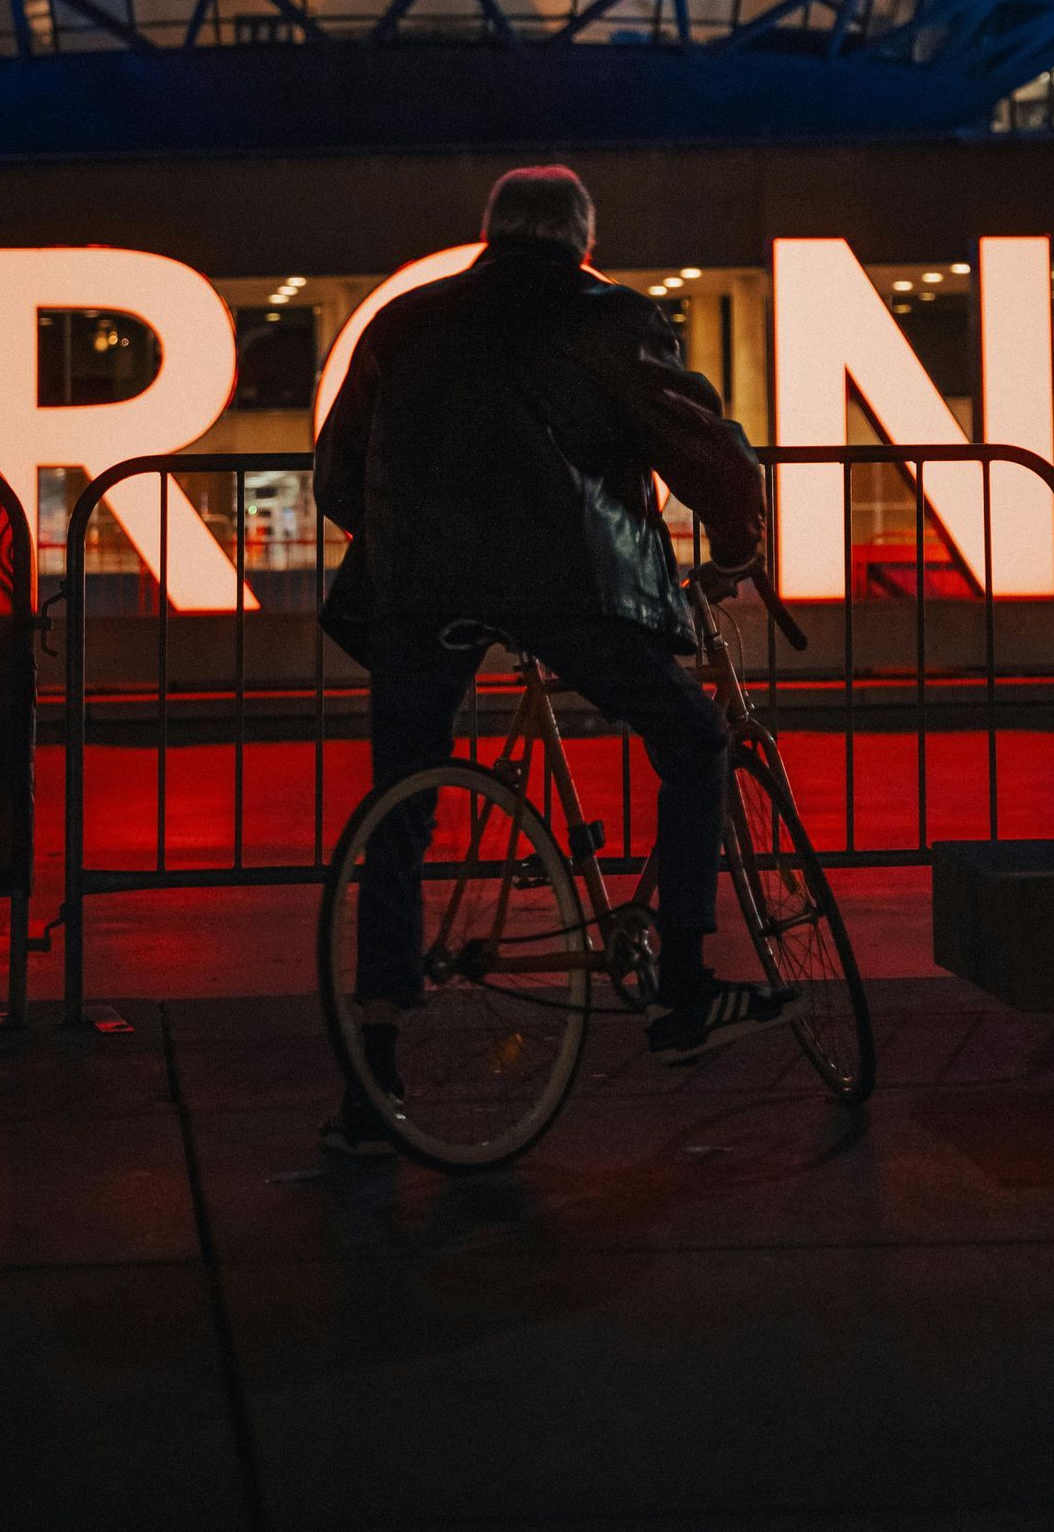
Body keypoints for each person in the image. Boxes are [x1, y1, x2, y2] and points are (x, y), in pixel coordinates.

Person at [314, 163, 793, 1151]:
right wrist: (741, 537)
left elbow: (335, 476)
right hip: (561, 588)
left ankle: (374, 1069)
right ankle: (688, 992)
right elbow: (697, 446)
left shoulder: (404, 320)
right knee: (693, 738)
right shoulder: (608, 316)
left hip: (417, 592)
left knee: (398, 808)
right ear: (580, 239)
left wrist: (408, 541)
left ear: (491, 233)